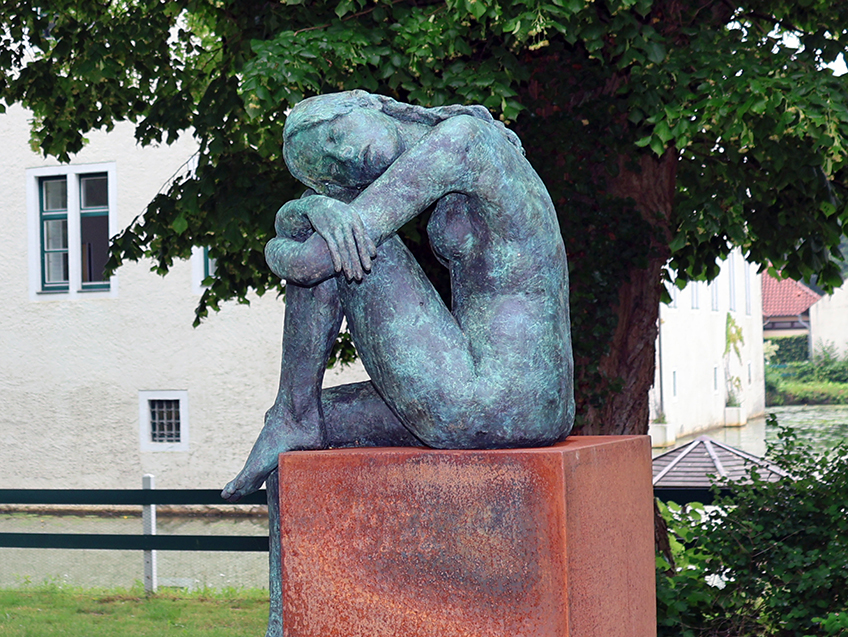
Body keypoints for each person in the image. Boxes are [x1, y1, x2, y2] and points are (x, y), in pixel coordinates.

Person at [221, 90, 574, 637]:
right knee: (325, 418)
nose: (344, 160)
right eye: (328, 170)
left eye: (336, 137)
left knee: (346, 240)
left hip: (490, 396)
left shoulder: (462, 140)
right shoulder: (458, 148)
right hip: (527, 402)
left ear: (367, 103)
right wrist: (316, 206)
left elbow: (313, 260)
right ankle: (283, 621)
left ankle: (290, 413)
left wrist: (305, 214)